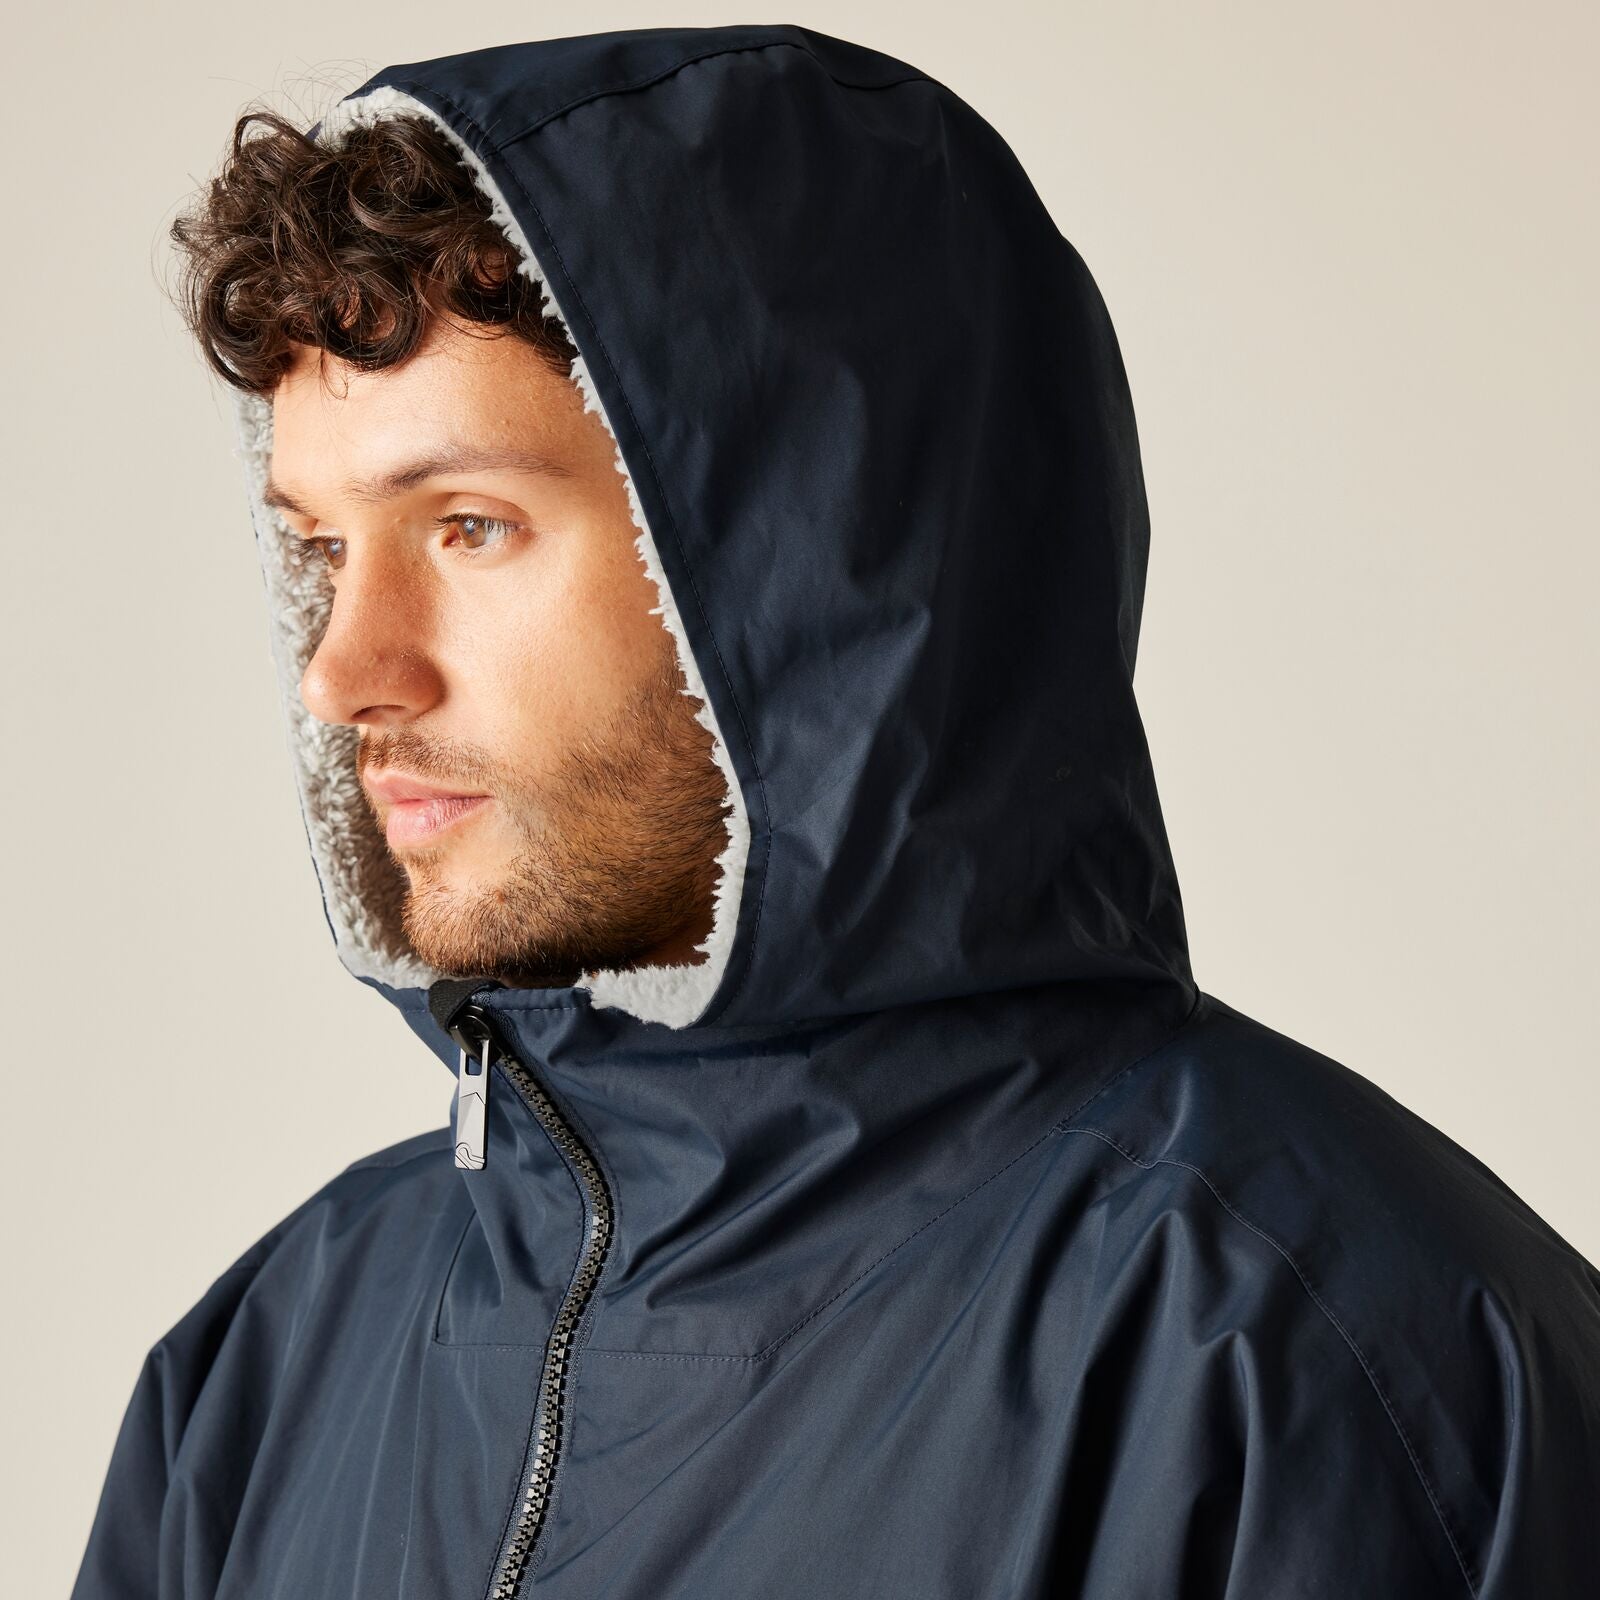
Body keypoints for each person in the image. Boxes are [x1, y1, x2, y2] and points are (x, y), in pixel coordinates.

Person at [71, 23, 1599, 1599]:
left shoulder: (1320, 1362)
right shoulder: (265, 1377)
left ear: (816, 567)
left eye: (469, 526)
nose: (343, 675)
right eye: (324, 546)